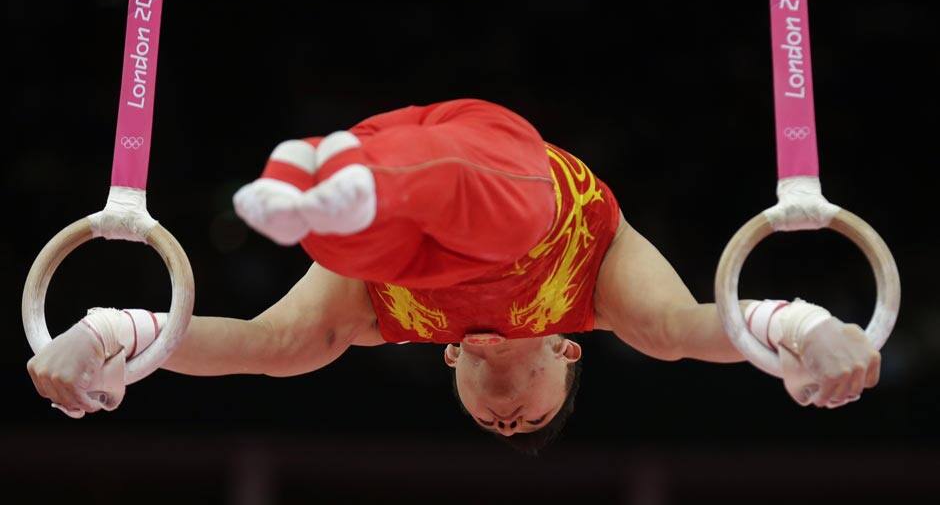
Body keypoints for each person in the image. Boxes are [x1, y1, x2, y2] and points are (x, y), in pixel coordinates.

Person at [27, 99, 881, 455]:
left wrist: (102, 340)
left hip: (374, 160)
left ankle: (330, 191)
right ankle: (360, 190)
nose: (507, 418)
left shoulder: (381, 325)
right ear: (568, 354)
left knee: (295, 343)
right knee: (513, 228)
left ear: (449, 369)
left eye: (493, 429)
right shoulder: (603, 304)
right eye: (531, 419)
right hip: (494, 159)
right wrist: (810, 332)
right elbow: (704, 329)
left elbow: (247, 345)